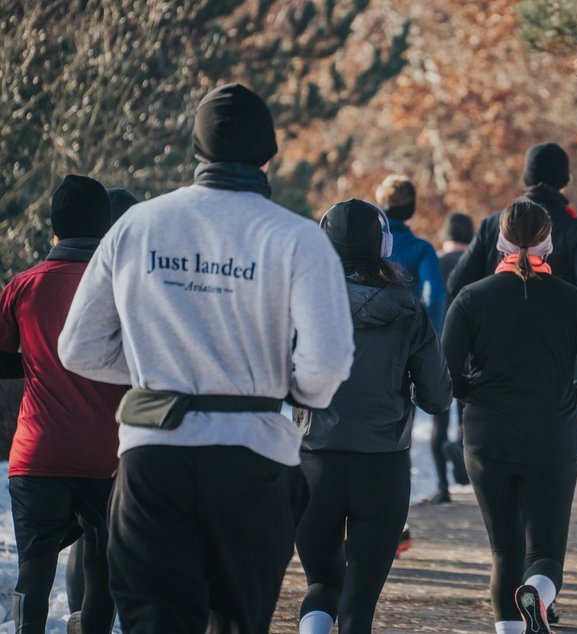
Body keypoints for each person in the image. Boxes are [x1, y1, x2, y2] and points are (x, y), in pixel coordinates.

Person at [58, 83, 355, 633]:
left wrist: (160, 372)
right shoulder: (295, 238)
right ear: (268, 152)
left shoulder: (136, 226)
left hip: (154, 456)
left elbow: (78, 347)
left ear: (196, 148)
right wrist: (290, 388)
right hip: (252, 456)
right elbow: (328, 361)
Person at [442, 200, 577, 634]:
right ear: (548, 240)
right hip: (550, 438)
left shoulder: (471, 297)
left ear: (499, 241)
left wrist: (470, 395)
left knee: (504, 551)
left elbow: (443, 373)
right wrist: (572, 396)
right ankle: (537, 594)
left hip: (487, 438)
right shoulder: (571, 300)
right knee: (545, 553)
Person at [293, 199, 452, 634]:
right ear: (383, 245)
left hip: (313, 463)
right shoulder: (407, 310)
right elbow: (438, 398)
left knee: (322, 582)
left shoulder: (300, 306)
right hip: (382, 468)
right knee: (358, 606)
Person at [0, 175, 126, 633]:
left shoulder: (24, 286)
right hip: (107, 456)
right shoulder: (122, 287)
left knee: (34, 568)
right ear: (104, 225)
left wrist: (38, 362)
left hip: (37, 455)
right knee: (102, 565)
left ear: (54, 227)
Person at [66, 186, 140, 616]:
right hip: (124, 426)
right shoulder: (135, 279)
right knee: (117, 535)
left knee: (86, 536)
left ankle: (81, 617)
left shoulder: (66, 273)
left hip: (72, 423)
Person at [446, 142, 577, 321]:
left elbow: (457, 283)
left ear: (525, 178)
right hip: (555, 341)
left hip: (493, 338)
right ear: (565, 180)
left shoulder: (492, 225)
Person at [429, 211, 475, 503]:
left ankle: (443, 489)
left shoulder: (433, 261)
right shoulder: (475, 263)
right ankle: (460, 448)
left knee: (438, 420)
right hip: (471, 350)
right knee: (467, 415)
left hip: (436, 350)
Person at [375, 174, 446, 333]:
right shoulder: (422, 249)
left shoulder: (363, 242)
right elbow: (434, 297)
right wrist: (425, 336)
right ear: (411, 208)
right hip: (403, 336)